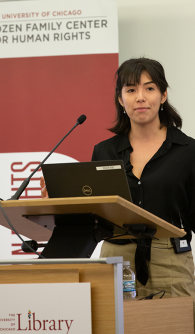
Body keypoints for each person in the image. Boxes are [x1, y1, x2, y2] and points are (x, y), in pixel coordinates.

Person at [42, 57, 195, 322]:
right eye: (131, 90)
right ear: (120, 99)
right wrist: (59, 202)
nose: (140, 97)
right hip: (115, 257)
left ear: (163, 95)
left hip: (168, 259)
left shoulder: (189, 151)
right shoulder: (105, 151)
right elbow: (92, 212)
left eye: (149, 88)